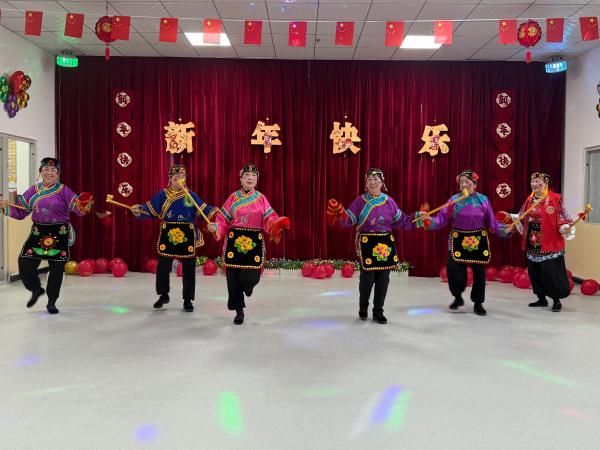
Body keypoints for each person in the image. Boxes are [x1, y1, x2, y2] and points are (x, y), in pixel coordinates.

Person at [0, 157, 93, 314]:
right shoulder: (32, 191)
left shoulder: (64, 191)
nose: (49, 172)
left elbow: (78, 208)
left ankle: (52, 302)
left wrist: (84, 206)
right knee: (24, 262)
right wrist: (4, 208)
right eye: (46, 169)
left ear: (58, 173)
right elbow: (21, 212)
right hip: (38, 231)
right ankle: (36, 289)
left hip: (59, 232)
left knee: (56, 269)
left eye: (53, 170)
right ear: (40, 172)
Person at [415, 169, 512, 316]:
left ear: (475, 184)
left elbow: (493, 223)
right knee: (453, 269)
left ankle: (478, 303)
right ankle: (457, 296)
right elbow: (441, 220)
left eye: (468, 182)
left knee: (479, 273)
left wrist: (505, 229)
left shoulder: (483, 200)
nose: (464, 185)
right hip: (458, 238)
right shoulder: (453, 200)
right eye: (462, 182)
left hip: (477, 240)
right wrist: (428, 220)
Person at [327, 168, 414, 324]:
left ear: (382, 182)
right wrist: (340, 212)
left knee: (383, 280)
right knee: (367, 280)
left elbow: (402, 221)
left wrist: (417, 219)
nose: (372, 182)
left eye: (376, 179)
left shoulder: (389, 201)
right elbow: (348, 221)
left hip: (384, 245)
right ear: (366, 184)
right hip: (366, 244)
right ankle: (363, 307)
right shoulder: (360, 201)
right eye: (369, 180)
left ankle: (378, 311)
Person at [208, 164, 289, 325]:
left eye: (253, 176)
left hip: (253, 243)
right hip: (234, 242)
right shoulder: (233, 198)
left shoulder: (261, 198)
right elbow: (223, 219)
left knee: (249, 278)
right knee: (233, 280)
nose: (250, 178)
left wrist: (276, 223)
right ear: (241, 179)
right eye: (247, 175)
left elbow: (270, 218)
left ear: (257, 179)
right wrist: (215, 227)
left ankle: (248, 286)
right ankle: (239, 311)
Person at [132, 164, 218, 312]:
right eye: (176, 177)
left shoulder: (190, 196)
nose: (179, 179)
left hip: (187, 235)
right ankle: (163, 295)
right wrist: (139, 210)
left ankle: (188, 299)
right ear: (170, 179)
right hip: (169, 235)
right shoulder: (162, 195)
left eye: (182, 177)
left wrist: (216, 213)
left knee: (189, 269)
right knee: (163, 267)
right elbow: (149, 209)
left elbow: (203, 210)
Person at [513, 172, 574, 312]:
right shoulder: (529, 199)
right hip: (533, 239)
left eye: (538, 182)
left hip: (549, 241)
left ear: (545, 184)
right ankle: (541, 298)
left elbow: (564, 217)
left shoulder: (554, 199)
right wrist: (510, 218)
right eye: (532, 181)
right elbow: (521, 215)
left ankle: (556, 300)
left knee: (550, 272)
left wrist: (564, 226)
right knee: (534, 271)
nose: (534, 184)